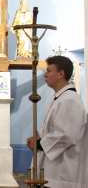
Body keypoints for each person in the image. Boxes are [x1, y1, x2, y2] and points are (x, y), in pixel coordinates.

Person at [27, 56, 87, 187]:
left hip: (62, 173)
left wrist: (40, 144)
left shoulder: (69, 100)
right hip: (55, 170)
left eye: (48, 71)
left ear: (61, 74)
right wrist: (39, 139)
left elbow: (67, 135)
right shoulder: (62, 98)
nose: (45, 75)